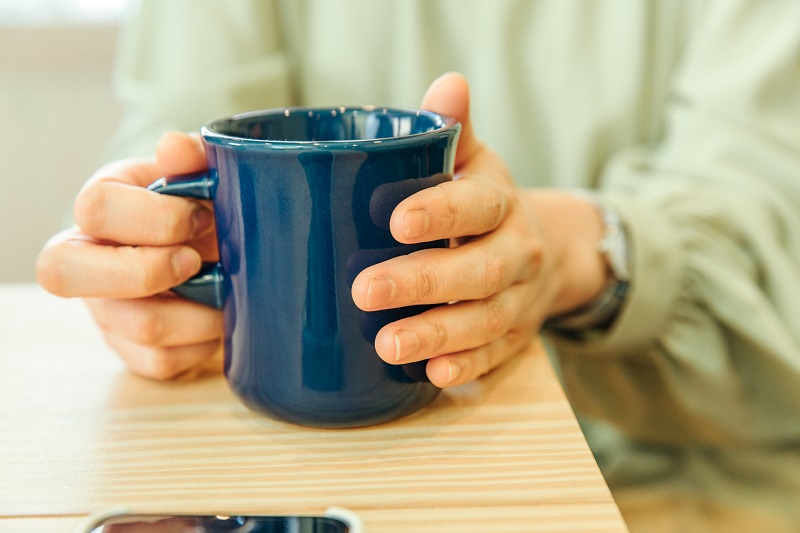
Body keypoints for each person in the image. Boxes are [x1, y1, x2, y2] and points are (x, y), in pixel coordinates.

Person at [35, 1, 800, 531]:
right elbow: (178, 143)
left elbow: (771, 200)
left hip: (684, 472)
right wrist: (144, 253)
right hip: (302, 482)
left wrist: (569, 249)